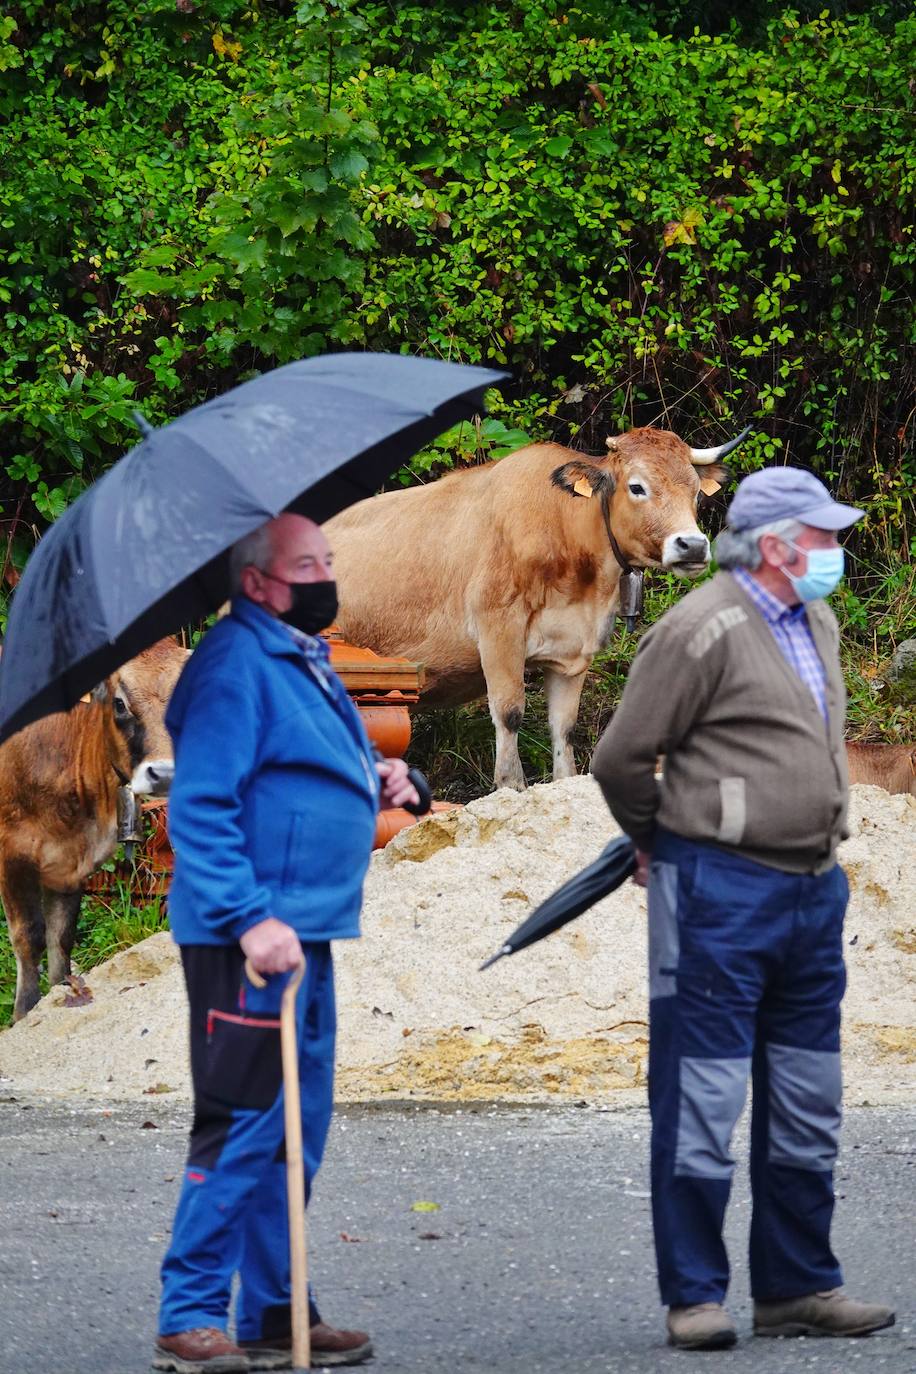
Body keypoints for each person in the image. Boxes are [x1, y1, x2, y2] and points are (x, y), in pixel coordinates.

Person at [590, 468, 896, 1351]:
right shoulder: (701, 627)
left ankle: (797, 1286)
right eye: (824, 537)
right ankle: (694, 1294)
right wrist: (660, 842)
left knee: (807, 1097)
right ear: (774, 546)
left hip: (811, 889)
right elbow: (621, 758)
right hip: (715, 889)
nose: (837, 553)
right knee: (701, 1094)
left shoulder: (820, 619)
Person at [154, 513, 419, 1373]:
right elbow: (200, 806)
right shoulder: (233, 664)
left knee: (294, 1127)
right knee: (240, 1124)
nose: (327, 576)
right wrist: (249, 917)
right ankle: (188, 1311)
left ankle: (275, 1309)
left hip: (308, 930)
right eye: (309, 565)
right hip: (251, 938)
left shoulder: (302, 656)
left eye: (327, 561)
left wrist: (384, 775)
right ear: (258, 582)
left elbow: (317, 762)